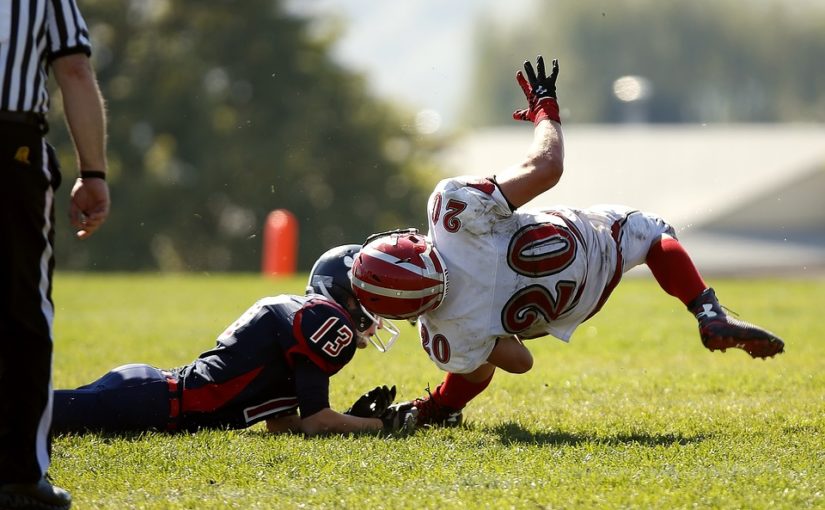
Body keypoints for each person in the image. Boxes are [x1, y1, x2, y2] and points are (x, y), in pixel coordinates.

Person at [350, 55, 785, 428]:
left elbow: (521, 364)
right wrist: (545, 111)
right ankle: (708, 312)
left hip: (574, 303)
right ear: (406, 245)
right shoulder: (451, 210)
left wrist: (490, 329)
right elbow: (547, 168)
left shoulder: (444, 333)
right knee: (652, 232)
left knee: (478, 354)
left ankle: (436, 409)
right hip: (588, 243)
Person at [50, 245, 415, 436]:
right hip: (153, 401)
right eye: (364, 295)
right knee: (33, 415)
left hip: (152, 393)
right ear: (341, 293)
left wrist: (348, 420)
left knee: (39, 414)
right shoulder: (323, 320)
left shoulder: (303, 315)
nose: (372, 307)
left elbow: (285, 425)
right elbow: (319, 421)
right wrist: (381, 426)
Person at [1, 1, 110, 508]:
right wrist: (94, 174)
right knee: (23, 310)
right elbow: (74, 67)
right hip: (11, 146)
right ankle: (21, 474)